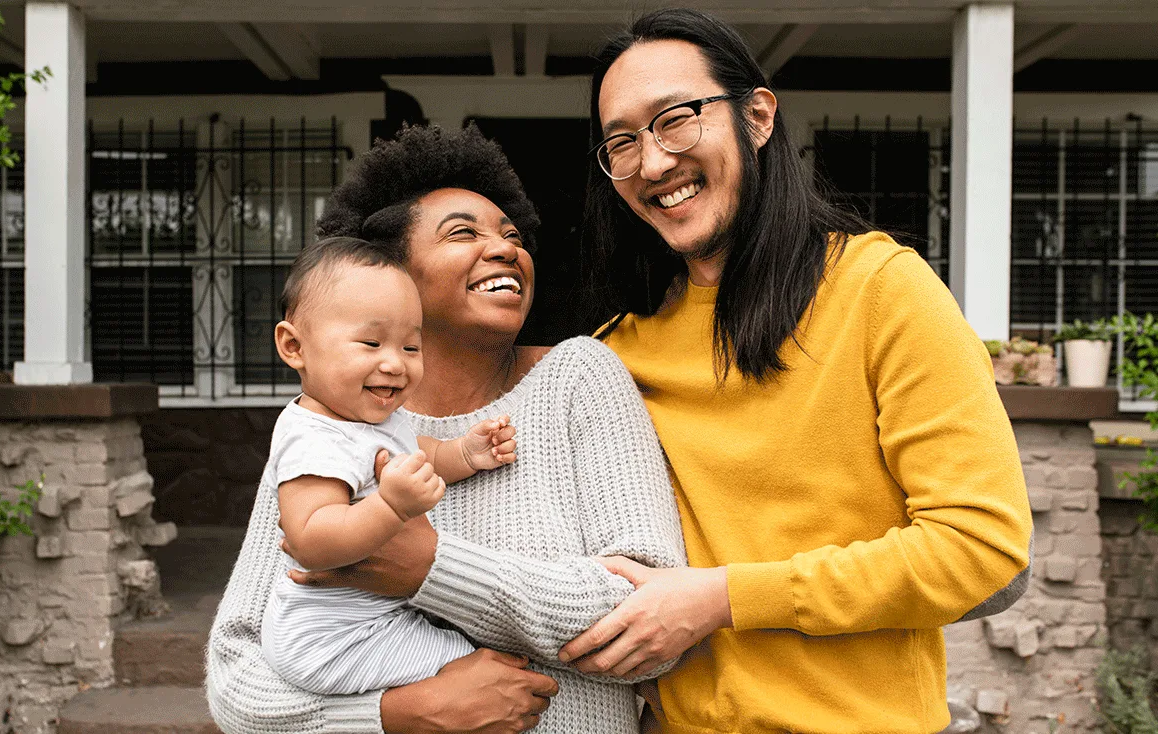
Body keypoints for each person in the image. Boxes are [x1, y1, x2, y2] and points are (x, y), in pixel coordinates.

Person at [558, 9, 1034, 733]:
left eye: (675, 119)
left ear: (757, 117)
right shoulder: (616, 353)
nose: (652, 163)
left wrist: (721, 599)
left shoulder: (880, 290)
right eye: (622, 142)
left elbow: (981, 548)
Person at [206, 124, 688, 734]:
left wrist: (430, 568)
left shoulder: (579, 379)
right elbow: (236, 678)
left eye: (513, 237)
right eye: (464, 233)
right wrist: (400, 714)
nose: (505, 249)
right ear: (390, 274)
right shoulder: (330, 423)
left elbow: (655, 625)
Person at [260, 235, 518, 695]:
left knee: (473, 658)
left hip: (372, 622)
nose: (395, 364)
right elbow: (308, 540)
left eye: (411, 348)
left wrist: (464, 453)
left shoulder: (374, 419)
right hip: (331, 639)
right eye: (371, 342)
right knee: (476, 669)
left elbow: (421, 457)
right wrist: (391, 507)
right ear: (294, 347)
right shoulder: (312, 436)